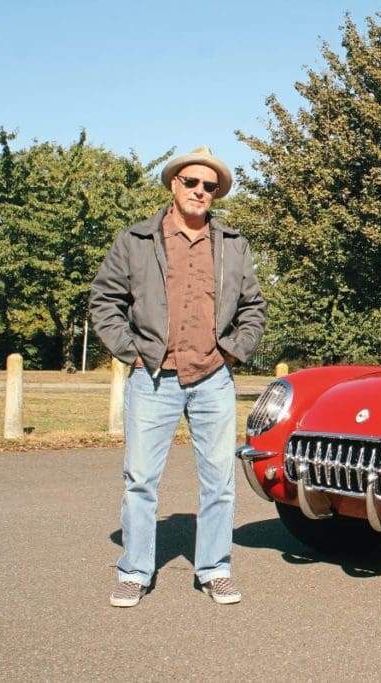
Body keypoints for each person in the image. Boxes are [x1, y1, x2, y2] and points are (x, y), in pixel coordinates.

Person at [90, 146, 267, 607]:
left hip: (213, 378)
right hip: (153, 377)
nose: (200, 191)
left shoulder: (232, 244)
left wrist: (231, 352)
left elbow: (253, 309)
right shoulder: (135, 240)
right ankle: (134, 571)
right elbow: (104, 301)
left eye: (210, 187)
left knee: (220, 481)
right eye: (191, 182)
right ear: (174, 184)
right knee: (141, 480)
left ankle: (214, 569)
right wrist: (131, 352)